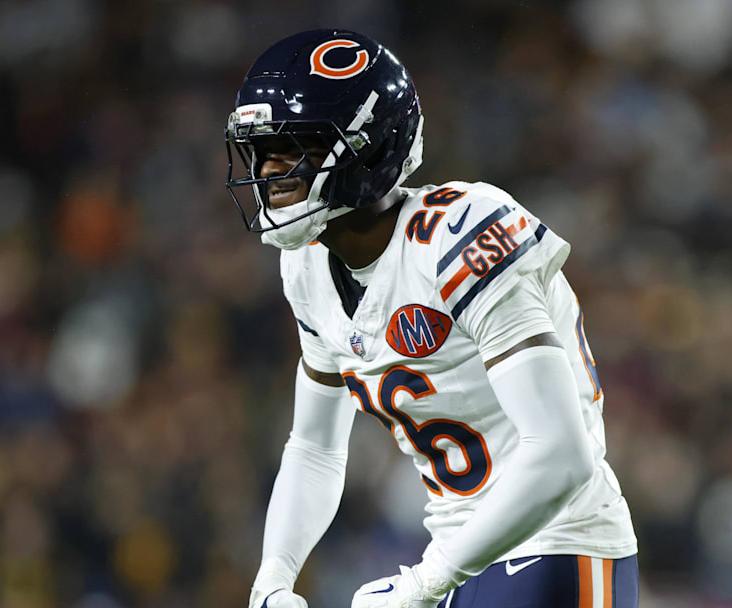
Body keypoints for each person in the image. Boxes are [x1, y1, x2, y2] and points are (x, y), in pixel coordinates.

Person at [225, 29, 639, 608]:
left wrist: (427, 579)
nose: (268, 171)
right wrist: (273, 579)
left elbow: (561, 453)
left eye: (292, 148)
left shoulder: (458, 235)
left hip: (560, 544)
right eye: (261, 151)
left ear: (367, 148)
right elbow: (315, 446)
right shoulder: (307, 268)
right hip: (458, 556)